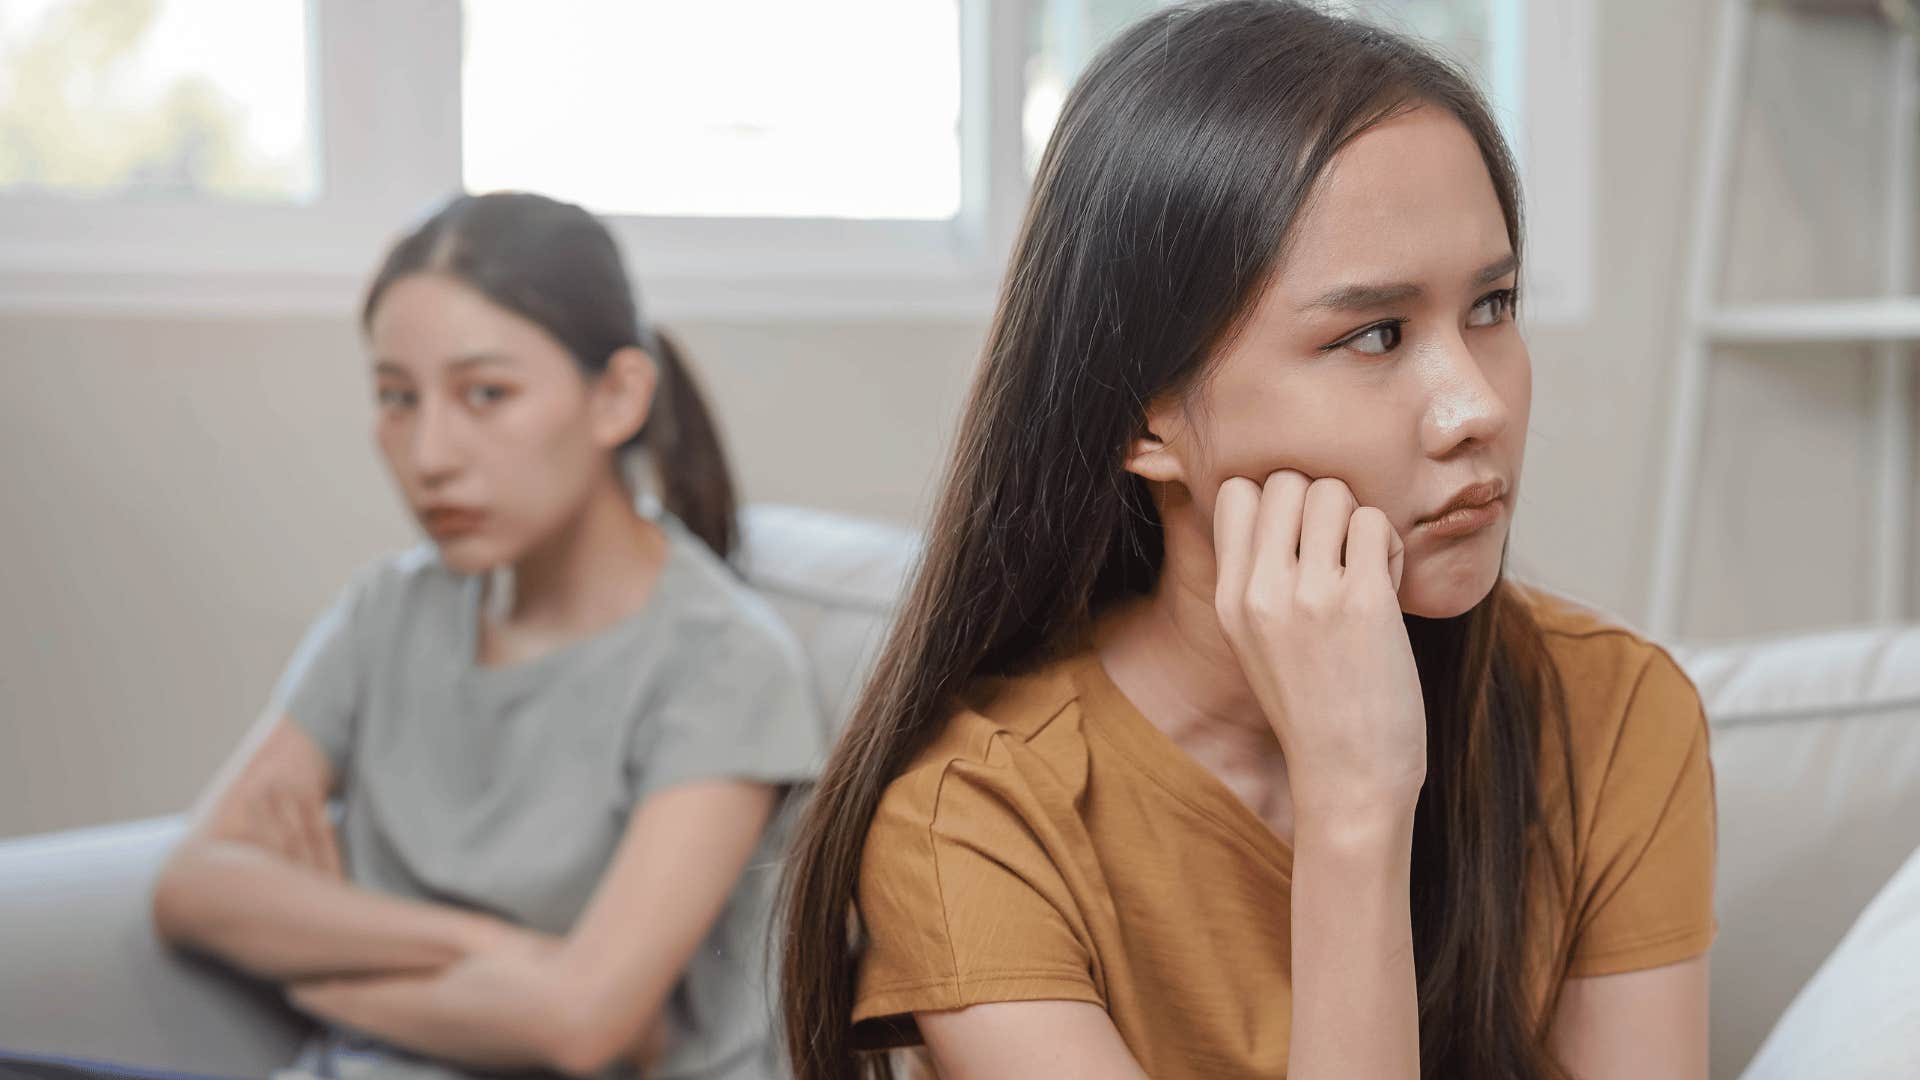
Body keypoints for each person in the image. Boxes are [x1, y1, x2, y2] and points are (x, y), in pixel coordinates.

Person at [778, 3, 1715, 1078]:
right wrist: (1355, 804)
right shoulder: (978, 822)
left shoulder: (1612, 715)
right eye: (1375, 334)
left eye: (1493, 305)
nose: (1476, 408)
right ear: (1143, 417)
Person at [151, 192, 825, 1080]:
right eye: (397, 398)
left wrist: (316, 955)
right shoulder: (383, 616)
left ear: (617, 396)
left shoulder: (724, 663)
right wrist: (486, 948)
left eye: (486, 394)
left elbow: (585, 1027)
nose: (430, 453)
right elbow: (191, 887)